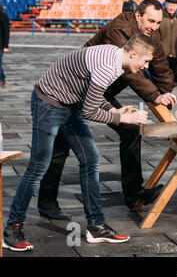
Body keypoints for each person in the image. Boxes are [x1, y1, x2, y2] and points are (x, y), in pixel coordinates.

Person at [3, 34, 156, 252]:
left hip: (70, 104)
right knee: (38, 165)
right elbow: (89, 110)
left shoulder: (115, 58)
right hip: (48, 103)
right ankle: (12, 226)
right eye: (146, 61)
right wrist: (123, 118)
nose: (145, 66)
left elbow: (92, 94)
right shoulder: (107, 67)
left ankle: (96, 225)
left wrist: (114, 110)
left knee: (90, 159)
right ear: (133, 54)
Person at [37, 0, 177, 219]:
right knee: (60, 148)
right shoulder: (119, 29)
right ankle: (46, 203)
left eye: (158, 23)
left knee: (130, 130)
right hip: (80, 89)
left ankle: (134, 195)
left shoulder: (150, 35)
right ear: (138, 15)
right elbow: (133, 73)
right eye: (151, 21)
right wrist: (154, 96)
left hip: (104, 91)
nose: (155, 27)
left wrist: (170, 95)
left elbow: (160, 66)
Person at [0, 2, 10, 88]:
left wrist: (6, 46)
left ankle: (1, 80)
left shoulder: (4, 16)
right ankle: (2, 78)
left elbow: (6, 33)